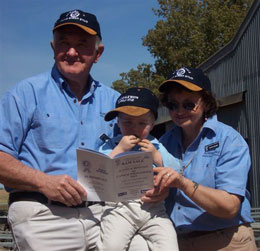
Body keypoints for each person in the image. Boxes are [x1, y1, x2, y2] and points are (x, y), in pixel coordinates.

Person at [0, 9, 121, 251]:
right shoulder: (24, 94)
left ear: (98, 53)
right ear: (53, 48)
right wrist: (44, 182)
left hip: (103, 217)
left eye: (82, 44)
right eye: (63, 43)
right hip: (42, 216)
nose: (72, 52)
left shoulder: (116, 102)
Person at [151, 66, 257, 250]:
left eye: (189, 104)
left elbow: (229, 207)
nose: (179, 111)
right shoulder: (163, 142)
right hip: (177, 242)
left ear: (206, 103)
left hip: (226, 241)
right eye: (172, 105)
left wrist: (183, 183)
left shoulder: (228, 140)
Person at [96, 87, 180, 251]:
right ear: (118, 123)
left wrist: (156, 155)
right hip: (120, 208)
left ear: (152, 124)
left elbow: (177, 171)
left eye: (142, 123)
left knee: (169, 246)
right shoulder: (111, 144)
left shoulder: (155, 145)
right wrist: (120, 150)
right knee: (111, 246)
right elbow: (98, 172)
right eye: (127, 122)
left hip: (154, 210)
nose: (134, 128)